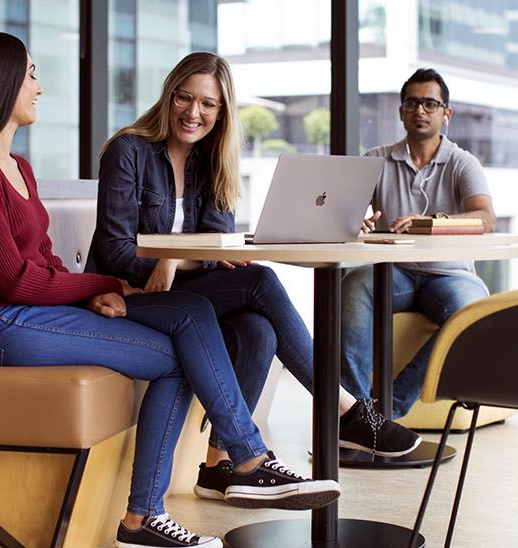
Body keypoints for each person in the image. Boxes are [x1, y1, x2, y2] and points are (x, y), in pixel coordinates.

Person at [0, 32, 339, 548]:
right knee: (189, 330)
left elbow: (46, 262)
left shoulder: (19, 168)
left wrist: (86, 293)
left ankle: (145, 517)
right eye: (31, 74)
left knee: (187, 330)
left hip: (31, 313)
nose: (38, 86)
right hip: (0, 324)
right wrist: (106, 283)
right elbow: (14, 280)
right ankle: (247, 458)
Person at [85, 52, 421, 498]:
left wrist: (175, 257)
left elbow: (220, 247)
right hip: (129, 295)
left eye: (208, 104)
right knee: (260, 282)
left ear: (222, 112)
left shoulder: (213, 162)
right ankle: (345, 412)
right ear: (169, 97)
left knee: (259, 330)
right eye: (185, 98)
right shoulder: (128, 151)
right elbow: (114, 251)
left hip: (188, 292)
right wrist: (167, 258)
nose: (194, 112)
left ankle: (220, 465)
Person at [342, 68, 496, 417]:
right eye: (412, 103)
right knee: (353, 287)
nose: (420, 111)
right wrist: (357, 221)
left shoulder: (461, 162)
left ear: (446, 114)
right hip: (394, 273)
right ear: (401, 112)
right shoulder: (376, 159)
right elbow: (344, 210)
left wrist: (429, 224)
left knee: (469, 313)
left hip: (451, 275)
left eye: (430, 103)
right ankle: (352, 414)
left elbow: (485, 218)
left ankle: (387, 411)